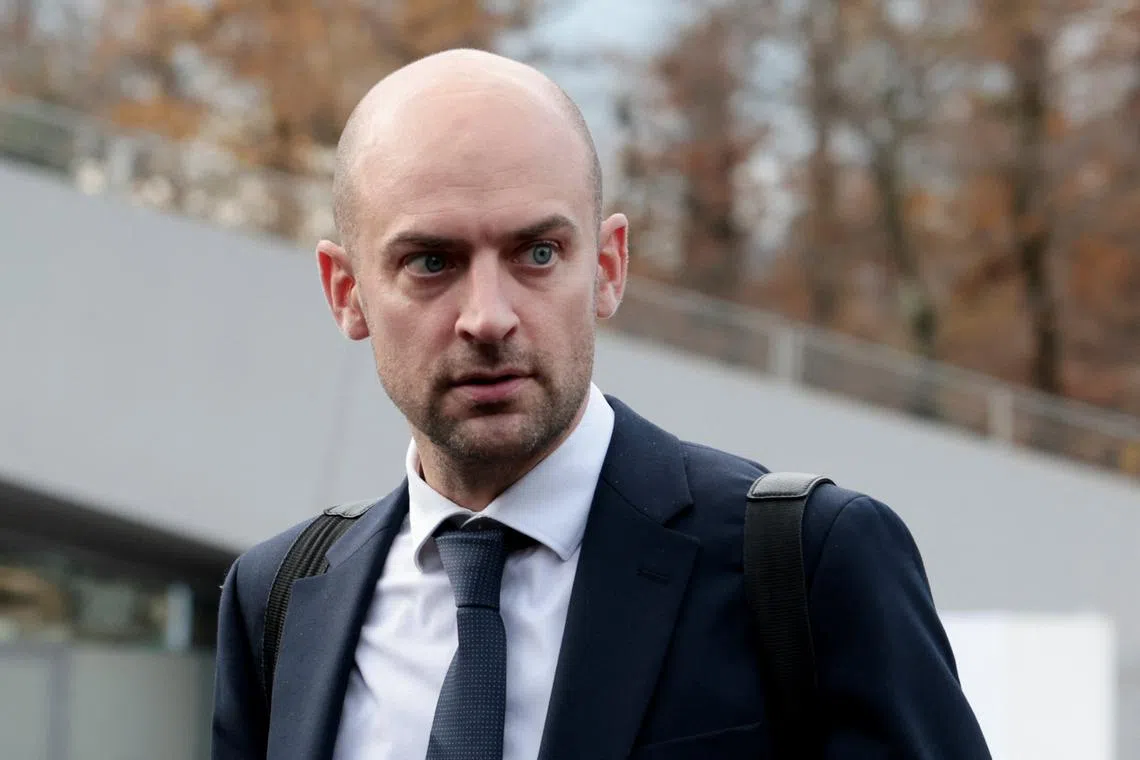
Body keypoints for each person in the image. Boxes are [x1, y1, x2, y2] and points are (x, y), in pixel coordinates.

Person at [211, 49, 991, 760]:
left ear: (609, 267)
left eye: (538, 253)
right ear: (346, 293)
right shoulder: (279, 600)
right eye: (431, 262)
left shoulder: (804, 562)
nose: (488, 317)